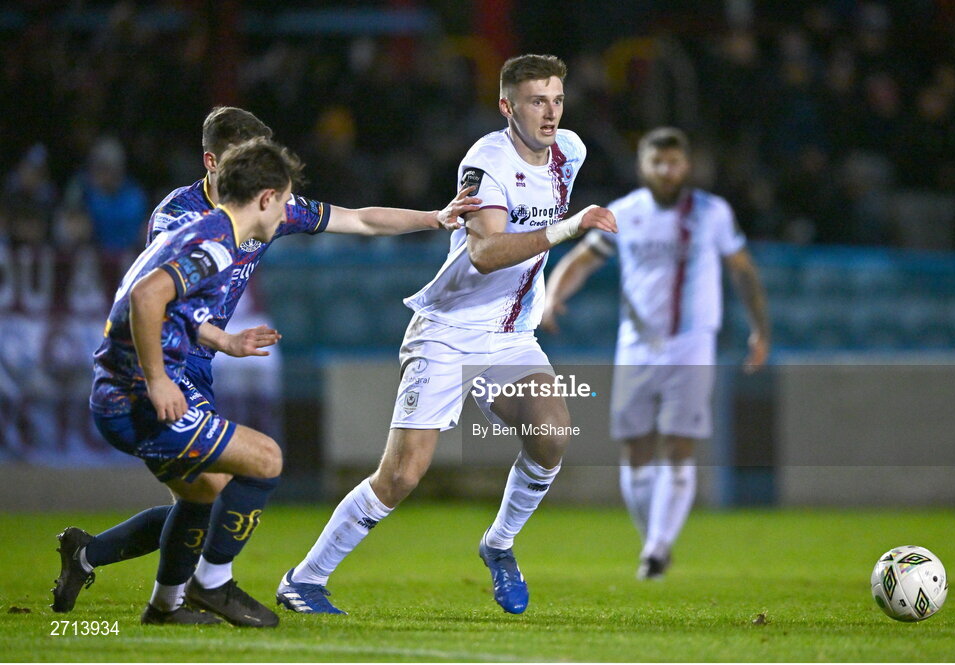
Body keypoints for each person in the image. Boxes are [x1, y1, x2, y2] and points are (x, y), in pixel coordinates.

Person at [50, 106, 480, 615]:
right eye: (243, 158)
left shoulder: (264, 204)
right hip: (166, 363)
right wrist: (180, 364)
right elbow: (157, 299)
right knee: (224, 484)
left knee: (202, 497)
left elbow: (359, 219)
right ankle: (195, 589)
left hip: (193, 363)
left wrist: (435, 217)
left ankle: (119, 572)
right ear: (212, 161)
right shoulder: (188, 221)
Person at [274, 54, 617, 616]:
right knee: (403, 474)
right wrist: (567, 228)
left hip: (509, 333)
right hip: (449, 331)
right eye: (536, 100)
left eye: (557, 99)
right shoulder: (485, 163)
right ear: (507, 106)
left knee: (553, 431)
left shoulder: (570, 152)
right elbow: (483, 253)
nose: (550, 112)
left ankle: (499, 545)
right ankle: (304, 579)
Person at [86, 137, 302, 626]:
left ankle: (164, 607)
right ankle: (212, 583)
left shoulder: (202, 230)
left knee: (205, 489)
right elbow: (146, 297)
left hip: (117, 394)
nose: (286, 211)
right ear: (266, 198)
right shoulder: (216, 244)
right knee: (266, 458)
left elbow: (165, 305)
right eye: (285, 200)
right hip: (134, 399)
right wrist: (158, 380)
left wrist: (223, 342)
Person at [541, 127, 770, 580]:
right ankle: (654, 544)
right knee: (636, 449)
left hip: (692, 343)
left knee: (679, 444)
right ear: (643, 166)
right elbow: (583, 258)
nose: (667, 171)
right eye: (658, 162)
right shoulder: (625, 213)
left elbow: (743, 270)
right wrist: (552, 294)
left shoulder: (712, 212)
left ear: (688, 165)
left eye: (675, 162)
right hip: (637, 345)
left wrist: (760, 329)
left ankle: (657, 548)